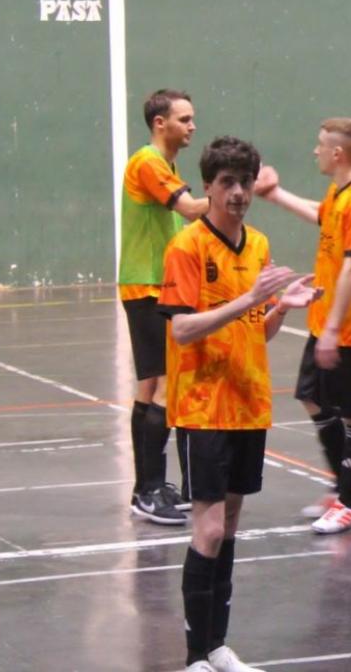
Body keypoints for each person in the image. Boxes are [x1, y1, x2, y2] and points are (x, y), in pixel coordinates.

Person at [158, 136, 318, 672]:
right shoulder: (186, 246)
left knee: (228, 528)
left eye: (245, 182)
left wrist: (279, 310)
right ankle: (194, 656)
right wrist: (248, 299)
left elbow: (256, 331)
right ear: (208, 186)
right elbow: (181, 330)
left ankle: (218, 645)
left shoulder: (258, 247)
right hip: (203, 404)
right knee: (206, 530)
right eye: (227, 182)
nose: (238, 192)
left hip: (249, 403)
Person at [254, 118, 351, 532]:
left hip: (350, 328)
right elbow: (321, 214)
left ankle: (347, 501)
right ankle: (344, 484)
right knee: (312, 397)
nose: (314, 152)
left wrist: (332, 330)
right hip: (324, 318)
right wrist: (274, 195)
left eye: (319, 146)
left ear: (338, 153)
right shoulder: (341, 194)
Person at [119, 89, 210, 525]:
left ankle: (147, 486)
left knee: (150, 384)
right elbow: (192, 209)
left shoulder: (167, 164)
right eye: (184, 119)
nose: (192, 126)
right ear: (161, 123)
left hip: (158, 285)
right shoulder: (149, 163)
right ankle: (149, 489)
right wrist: (242, 189)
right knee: (163, 387)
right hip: (148, 286)